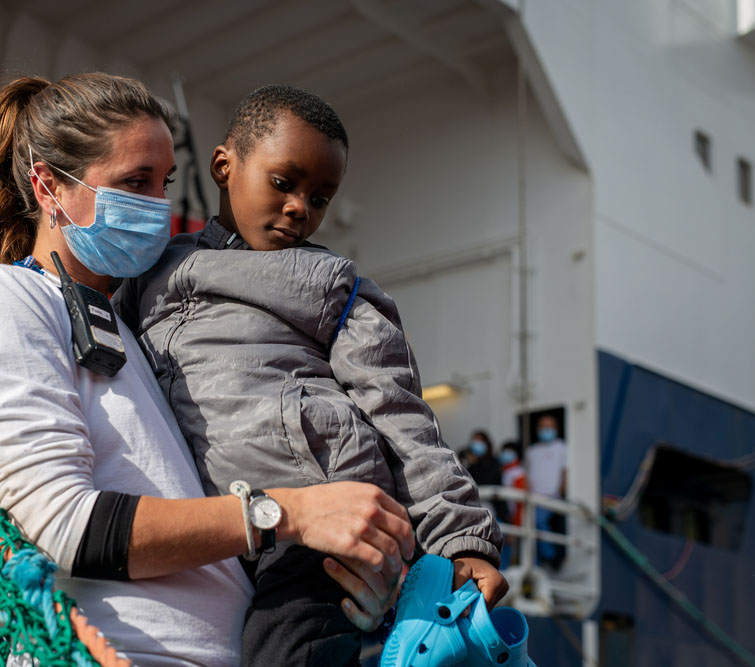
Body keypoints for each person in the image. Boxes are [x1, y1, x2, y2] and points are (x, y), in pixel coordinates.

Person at [0, 73, 415, 667]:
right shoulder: (2, 298)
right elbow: (69, 524)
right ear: (47, 184)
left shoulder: (134, 325)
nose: (157, 208)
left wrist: (347, 585)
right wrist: (293, 513)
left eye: (164, 184)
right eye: (135, 182)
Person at [118, 84, 506, 666]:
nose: (301, 207)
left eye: (321, 197)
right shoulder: (147, 275)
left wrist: (463, 540)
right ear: (224, 167)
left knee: (284, 653)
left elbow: (401, 415)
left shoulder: (330, 286)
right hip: (223, 526)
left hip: (322, 525)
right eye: (284, 183)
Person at [527, 414, 567, 569]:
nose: (546, 430)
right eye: (543, 427)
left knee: (539, 522)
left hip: (552, 496)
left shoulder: (561, 447)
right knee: (531, 527)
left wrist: (562, 489)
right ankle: (537, 561)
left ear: (555, 429)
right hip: (533, 497)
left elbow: (565, 470)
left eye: (549, 427)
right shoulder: (531, 451)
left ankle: (549, 556)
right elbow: (528, 472)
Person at [498, 440, 527, 568]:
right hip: (505, 516)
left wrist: (516, 524)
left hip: (515, 517)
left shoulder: (519, 473)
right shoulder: (502, 472)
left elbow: (521, 503)